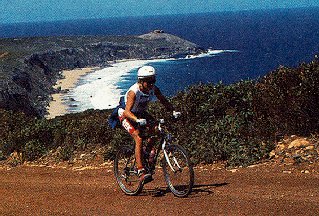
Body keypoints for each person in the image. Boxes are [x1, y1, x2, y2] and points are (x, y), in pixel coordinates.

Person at [118, 65, 180, 184]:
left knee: (157, 129)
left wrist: (172, 111)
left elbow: (163, 100)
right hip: (126, 115)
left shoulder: (153, 89)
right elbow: (126, 112)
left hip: (140, 114)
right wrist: (137, 120)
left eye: (153, 80)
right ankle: (141, 170)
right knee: (138, 137)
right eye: (149, 81)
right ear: (141, 81)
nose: (151, 84)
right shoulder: (133, 91)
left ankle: (147, 153)